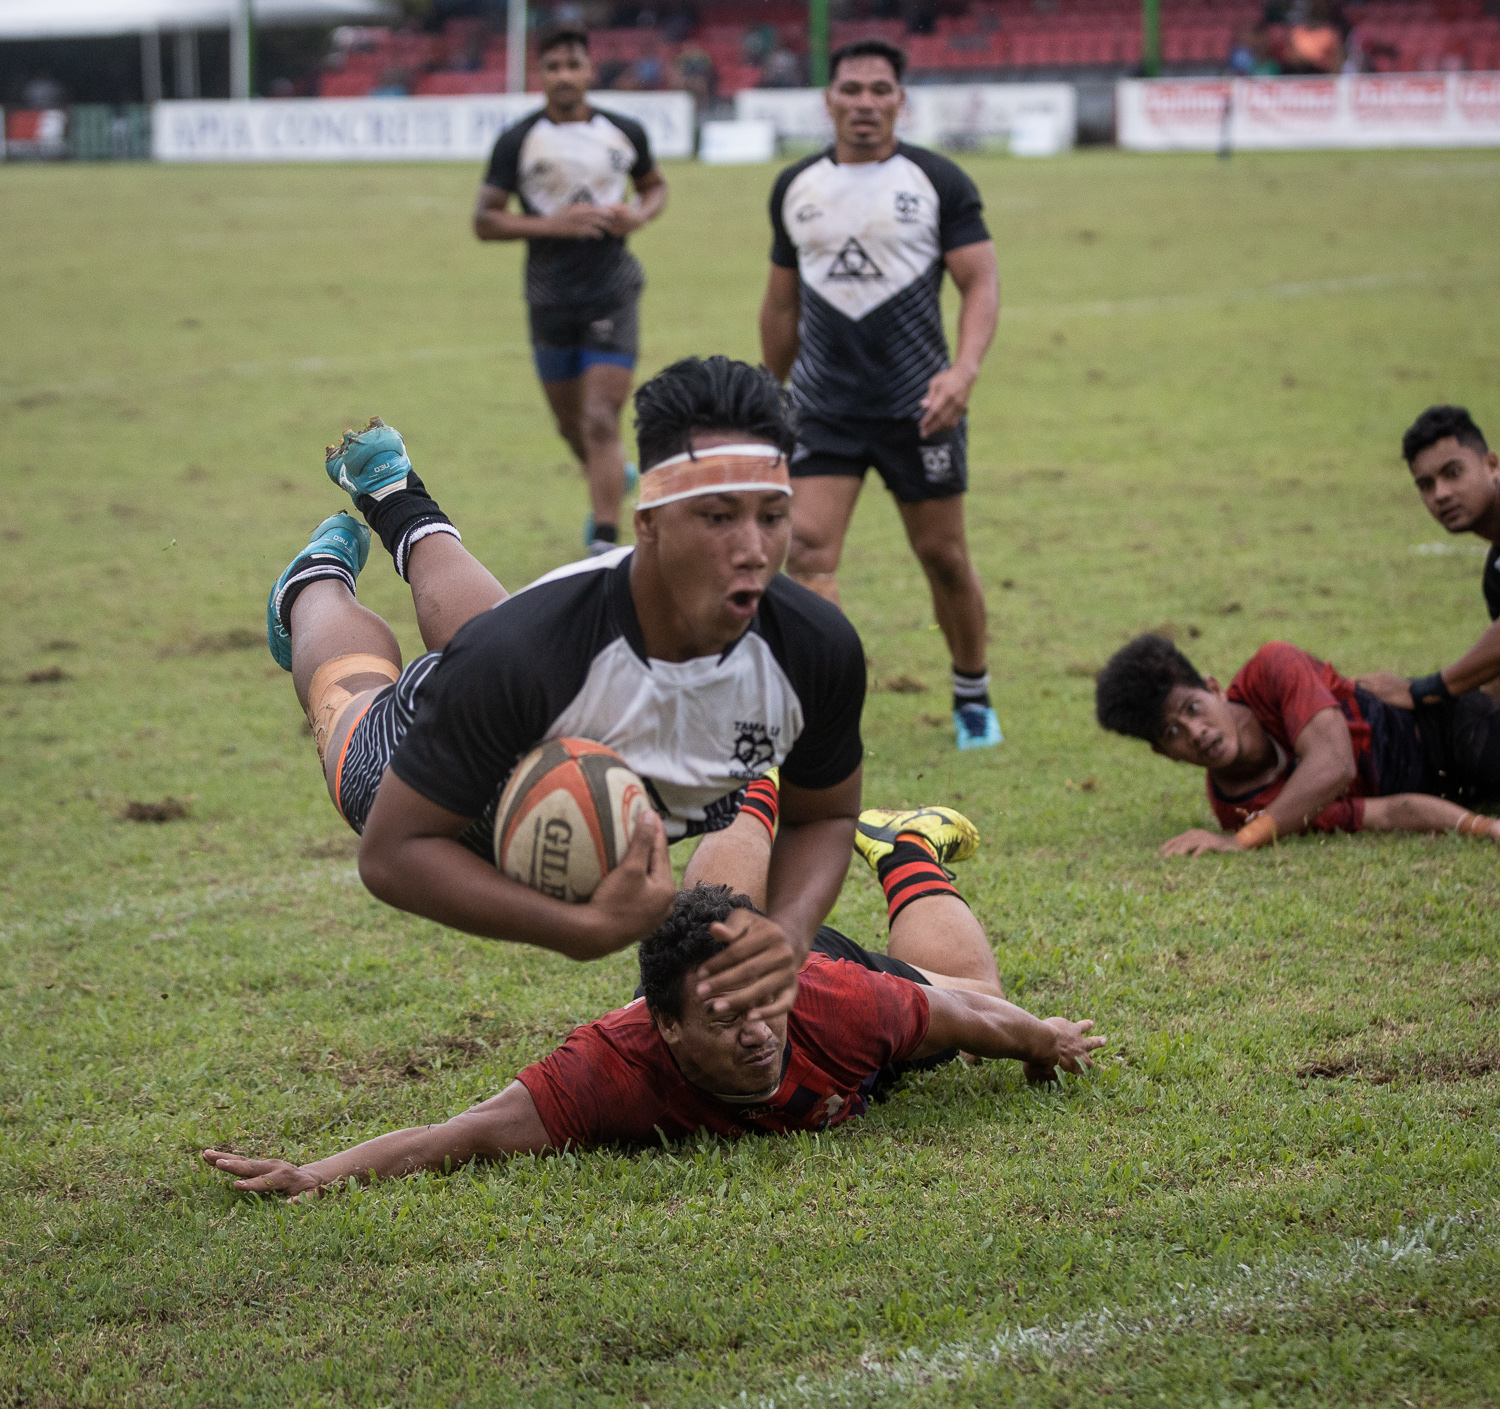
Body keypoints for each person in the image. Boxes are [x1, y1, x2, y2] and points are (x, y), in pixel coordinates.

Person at [263, 356, 866, 1004]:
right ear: (647, 523)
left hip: (539, 690)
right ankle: (312, 584)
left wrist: (792, 932)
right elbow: (393, 853)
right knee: (348, 709)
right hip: (469, 763)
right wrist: (577, 929)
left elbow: (825, 813)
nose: (752, 548)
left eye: (772, 517)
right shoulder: (530, 653)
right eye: (719, 517)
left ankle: (395, 497)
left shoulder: (814, 650)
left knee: (504, 648)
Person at [202, 805, 1103, 1198]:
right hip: (736, 990)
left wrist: (1042, 1043)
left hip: (823, 967)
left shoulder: (831, 1002)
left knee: (978, 987)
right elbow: (462, 1134)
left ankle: (902, 846)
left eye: (761, 1007)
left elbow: (976, 1017)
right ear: (663, 1026)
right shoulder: (611, 1068)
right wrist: (315, 1175)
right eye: (722, 1018)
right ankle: (756, 796)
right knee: (714, 922)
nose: (756, 1033)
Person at [758, 38, 1002, 753]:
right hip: (823, 408)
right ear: (828, 99)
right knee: (806, 553)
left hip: (920, 408)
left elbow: (979, 281)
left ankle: (972, 692)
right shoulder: (795, 187)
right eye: (852, 90)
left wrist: (965, 370)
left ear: (901, 100)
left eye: (879, 90)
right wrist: (770, 393)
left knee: (944, 558)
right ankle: (828, 707)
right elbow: (780, 303)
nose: (865, 103)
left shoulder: (937, 181)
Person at [473, 25, 669, 557]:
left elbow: (655, 187)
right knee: (571, 427)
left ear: (589, 70)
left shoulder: (624, 131)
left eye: (572, 65)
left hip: (612, 290)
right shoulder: (518, 140)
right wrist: (551, 226)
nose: (564, 76)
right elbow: (484, 220)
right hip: (549, 297)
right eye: (553, 66)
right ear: (542, 74)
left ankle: (604, 544)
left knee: (600, 418)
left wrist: (640, 216)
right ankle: (612, 477)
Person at [1095, 634, 1500, 858]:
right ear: (1163, 754)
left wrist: (1243, 841)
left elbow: (1335, 765)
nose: (1196, 732)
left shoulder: (1272, 668)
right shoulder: (1236, 806)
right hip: (1454, 787)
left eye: (1194, 707)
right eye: (1172, 733)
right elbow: (1386, 811)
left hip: (1455, 727)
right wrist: (1484, 827)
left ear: (1214, 688)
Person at [1355, 406, 1500, 714]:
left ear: (1491, 465)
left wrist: (1424, 690)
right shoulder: (1495, 576)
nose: (1441, 494)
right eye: (1426, 485)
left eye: (1453, 473)